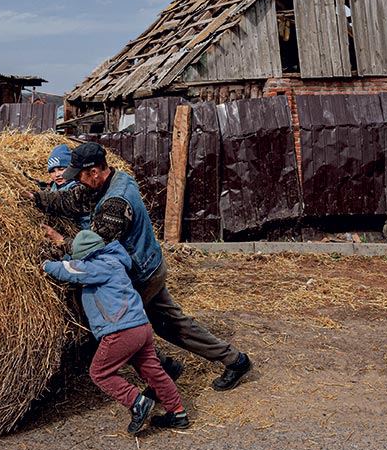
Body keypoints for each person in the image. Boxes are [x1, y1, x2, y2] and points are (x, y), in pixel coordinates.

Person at [29, 142, 253, 392]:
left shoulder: (115, 202)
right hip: (150, 265)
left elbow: (93, 248)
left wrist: (61, 243)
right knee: (171, 324)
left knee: (119, 330)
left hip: (141, 274)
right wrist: (37, 198)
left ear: (93, 172)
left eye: (79, 176)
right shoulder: (114, 179)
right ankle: (233, 360)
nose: (76, 182)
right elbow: (73, 200)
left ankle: (160, 380)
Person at [43, 230, 190, 434]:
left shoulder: (100, 266)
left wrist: (44, 265)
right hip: (141, 327)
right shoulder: (112, 261)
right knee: (152, 371)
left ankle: (137, 402)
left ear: (89, 255)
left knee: (100, 372)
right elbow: (78, 266)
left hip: (122, 330)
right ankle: (177, 412)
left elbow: (71, 270)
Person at [45, 144, 90, 229]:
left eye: (61, 169)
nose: (57, 175)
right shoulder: (55, 185)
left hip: (82, 231)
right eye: (52, 171)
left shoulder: (76, 187)